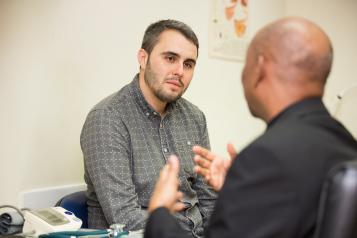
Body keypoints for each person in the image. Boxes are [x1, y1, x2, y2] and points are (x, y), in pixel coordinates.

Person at [144, 17, 357, 238]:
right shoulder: (346, 144)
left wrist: (159, 212)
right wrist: (240, 192)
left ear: (260, 68)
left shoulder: (266, 158)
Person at [80, 19, 217, 237]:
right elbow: (124, 218)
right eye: (170, 58)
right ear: (143, 58)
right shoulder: (108, 119)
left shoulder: (194, 117)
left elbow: (209, 200)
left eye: (188, 64)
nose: (179, 71)